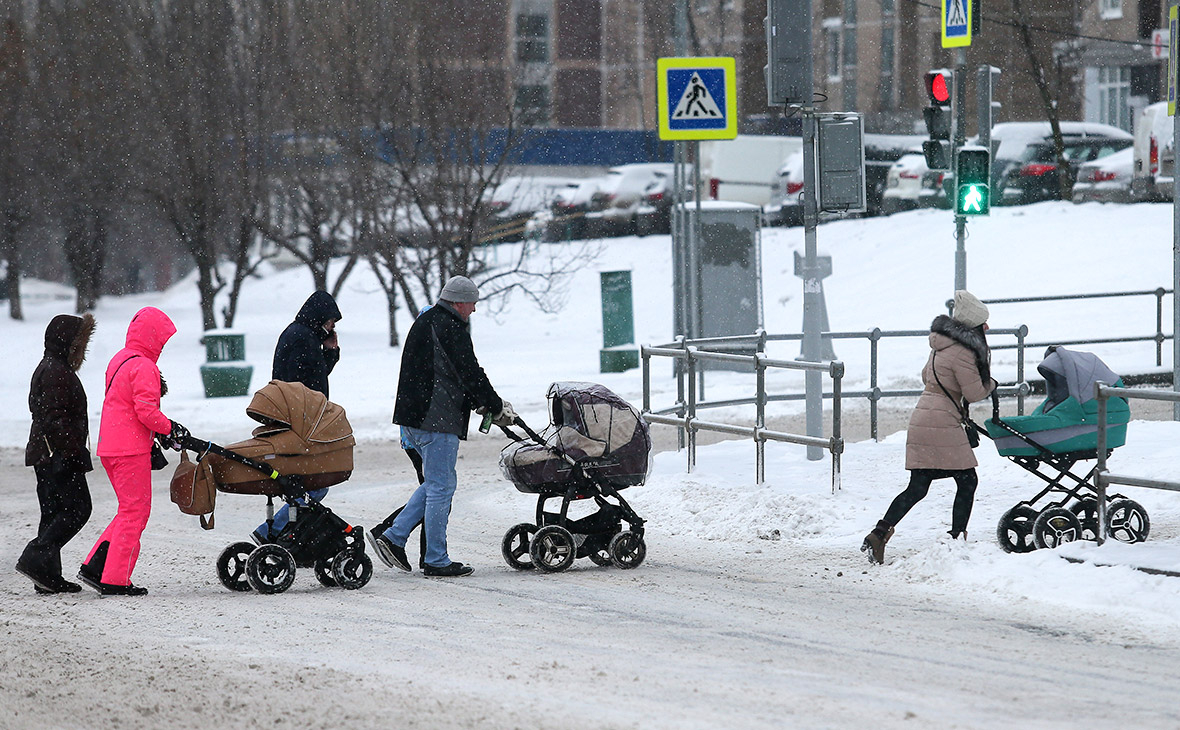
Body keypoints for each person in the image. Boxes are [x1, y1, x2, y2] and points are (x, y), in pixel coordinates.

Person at [368, 275, 515, 577]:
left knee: (437, 483)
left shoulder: (425, 322)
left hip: (413, 419)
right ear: (459, 301)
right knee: (441, 486)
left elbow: (447, 371)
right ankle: (433, 557)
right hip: (436, 418)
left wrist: (481, 401)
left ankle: (394, 537)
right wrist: (495, 404)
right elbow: (470, 371)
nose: (474, 309)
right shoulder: (450, 327)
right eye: (472, 303)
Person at [861, 290, 998, 565]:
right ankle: (957, 539)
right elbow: (973, 393)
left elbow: (927, 376)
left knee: (919, 486)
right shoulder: (963, 352)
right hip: (941, 421)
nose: (987, 329)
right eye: (983, 324)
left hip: (925, 415)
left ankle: (878, 534)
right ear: (974, 326)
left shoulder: (941, 345)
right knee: (967, 480)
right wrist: (992, 384)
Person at [79, 307, 188, 596]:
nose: (163, 347)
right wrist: (170, 428)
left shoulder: (119, 359)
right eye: (162, 341)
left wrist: (160, 431)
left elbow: (126, 405)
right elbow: (146, 412)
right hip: (130, 449)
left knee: (127, 509)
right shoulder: (144, 367)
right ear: (153, 338)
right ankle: (115, 579)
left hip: (110, 446)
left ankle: (96, 566)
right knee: (136, 512)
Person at [16, 314, 96, 594]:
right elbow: (54, 418)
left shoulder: (50, 367)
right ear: (68, 343)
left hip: (46, 454)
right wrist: (73, 451)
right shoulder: (56, 372)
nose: (82, 350)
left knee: (53, 513)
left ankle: (47, 576)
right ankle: (35, 558)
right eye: (79, 343)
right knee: (77, 509)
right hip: (58, 456)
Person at [256, 290, 342, 542]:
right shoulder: (301, 338)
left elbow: (315, 375)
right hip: (299, 422)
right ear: (320, 318)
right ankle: (275, 531)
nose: (331, 327)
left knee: (306, 483)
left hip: (296, 419)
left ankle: (285, 532)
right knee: (313, 484)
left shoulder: (300, 335)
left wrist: (329, 352)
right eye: (330, 322)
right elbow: (306, 385)